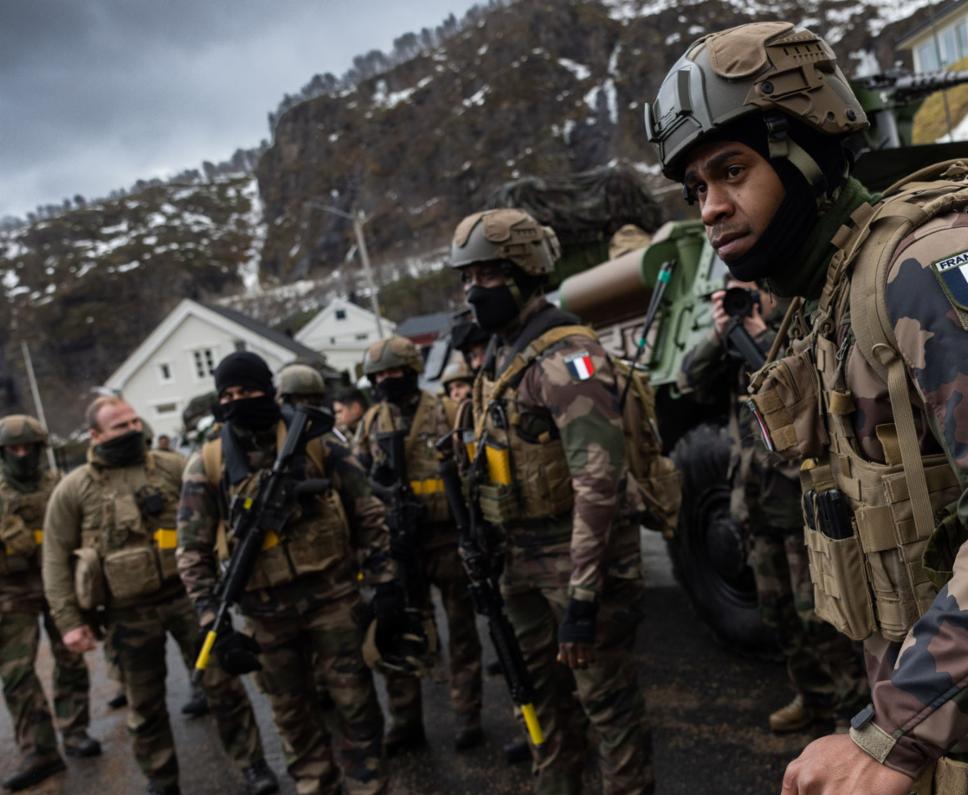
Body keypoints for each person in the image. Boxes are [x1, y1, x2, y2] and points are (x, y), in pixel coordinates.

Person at [648, 22, 968, 794]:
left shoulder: (930, 267)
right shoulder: (832, 294)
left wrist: (891, 731)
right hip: (967, 713)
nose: (710, 208)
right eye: (696, 188)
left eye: (731, 171)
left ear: (808, 151)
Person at [450, 207, 653, 794]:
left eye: (486, 276)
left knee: (609, 714)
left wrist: (585, 596)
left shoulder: (566, 358)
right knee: (539, 707)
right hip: (520, 561)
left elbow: (599, 481)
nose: (473, 291)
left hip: (578, 565)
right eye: (467, 278)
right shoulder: (500, 355)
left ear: (524, 271)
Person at [179, 351, 408, 795]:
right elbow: (192, 551)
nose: (237, 401)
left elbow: (368, 512)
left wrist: (385, 582)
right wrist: (214, 621)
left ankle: (368, 785)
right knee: (292, 717)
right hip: (266, 616)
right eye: (227, 394)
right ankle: (315, 786)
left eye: (246, 391)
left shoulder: (319, 441)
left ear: (268, 390)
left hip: (334, 601)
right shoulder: (207, 463)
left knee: (356, 706)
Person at [42, 396, 275, 795]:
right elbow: (55, 559)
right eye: (120, 425)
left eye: (135, 421)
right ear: (95, 435)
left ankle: (252, 766)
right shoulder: (73, 490)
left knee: (224, 686)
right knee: (145, 706)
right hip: (125, 614)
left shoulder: (172, 466)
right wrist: (69, 623)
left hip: (189, 601)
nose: (133, 429)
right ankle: (161, 780)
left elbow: (219, 519)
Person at [678, 281, 868, 735]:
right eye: (733, 290)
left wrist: (759, 334)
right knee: (778, 611)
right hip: (755, 496)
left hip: (800, 495)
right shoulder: (732, 338)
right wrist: (720, 334)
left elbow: (797, 384)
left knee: (823, 615)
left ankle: (854, 714)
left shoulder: (792, 322)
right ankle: (812, 696)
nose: (743, 295)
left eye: (748, 288)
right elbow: (688, 381)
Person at [356, 336, 484, 754]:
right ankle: (406, 721)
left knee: (463, 632)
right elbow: (359, 485)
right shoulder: (372, 422)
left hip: (447, 539)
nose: (386, 381)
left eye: (394, 372)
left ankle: (468, 715)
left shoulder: (447, 412)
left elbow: (474, 471)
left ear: (412, 371)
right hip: (399, 546)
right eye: (379, 376)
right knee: (403, 633)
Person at [0, 416, 99, 791]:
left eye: (29, 448)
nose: (22, 455)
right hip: (10, 590)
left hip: (55, 581)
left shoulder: (58, 485)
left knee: (70, 657)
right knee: (16, 673)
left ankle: (75, 732)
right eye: (13, 449)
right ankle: (39, 750)